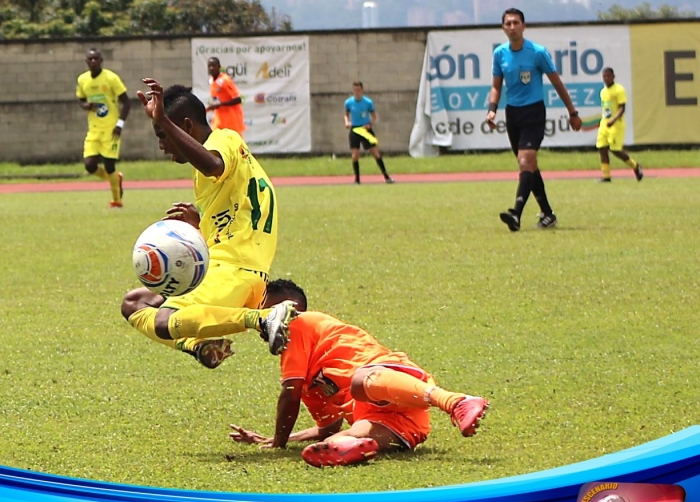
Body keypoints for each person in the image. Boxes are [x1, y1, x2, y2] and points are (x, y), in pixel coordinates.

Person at [120, 79, 297, 368]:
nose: (162, 146)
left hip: (234, 270)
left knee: (164, 320)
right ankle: (202, 345)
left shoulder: (224, 139)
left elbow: (214, 164)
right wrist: (200, 224)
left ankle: (263, 318)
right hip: (227, 267)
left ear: (186, 127)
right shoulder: (214, 174)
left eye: (163, 134)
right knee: (134, 303)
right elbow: (236, 218)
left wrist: (163, 117)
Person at [229, 279, 489, 468]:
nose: (261, 321)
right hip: (405, 421)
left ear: (291, 308)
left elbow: (289, 394)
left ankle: (455, 402)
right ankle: (357, 448)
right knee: (334, 441)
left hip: (391, 380)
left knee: (359, 383)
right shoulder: (310, 380)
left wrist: (279, 443)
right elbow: (327, 426)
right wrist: (279, 438)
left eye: (266, 311)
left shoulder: (297, 323)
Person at [486, 8, 582, 232]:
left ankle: (516, 214)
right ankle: (547, 213)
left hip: (534, 113)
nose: (512, 27)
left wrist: (572, 112)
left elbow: (557, 83)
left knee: (524, 162)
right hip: (513, 114)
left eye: (516, 23)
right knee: (530, 166)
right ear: (503, 28)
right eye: (508, 23)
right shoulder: (500, 54)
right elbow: (495, 86)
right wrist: (492, 109)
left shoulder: (537, 52)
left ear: (523, 26)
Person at [76, 47, 131, 208]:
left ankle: (117, 200)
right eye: (90, 59)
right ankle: (115, 179)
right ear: (86, 61)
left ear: (101, 60)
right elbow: (80, 100)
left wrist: (120, 124)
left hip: (111, 129)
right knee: (89, 165)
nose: (93, 61)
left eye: (96, 59)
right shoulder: (82, 80)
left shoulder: (111, 78)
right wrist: (86, 105)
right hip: (93, 129)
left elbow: (126, 102)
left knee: (109, 165)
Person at [596, 67, 643, 183]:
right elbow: (606, 108)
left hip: (616, 124)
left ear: (613, 77)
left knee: (615, 150)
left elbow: (622, 108)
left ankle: (635, 166)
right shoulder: (602, 92)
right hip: (605, 124)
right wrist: (604, 121)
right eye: (604, 76)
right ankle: (606, 176)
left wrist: (613, 120)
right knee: (602, 148)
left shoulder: (619, 90)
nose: (606, 78)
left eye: (608, 76)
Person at [344, 82, 394, 185]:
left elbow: (374, 116)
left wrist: (370, 124)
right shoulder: (348, 102)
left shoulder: (368, 102)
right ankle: (357, 180)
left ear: (362, 90)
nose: (357, 92)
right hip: (355, 130)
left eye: (358, 90)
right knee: (355, 155)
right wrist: (347, 122)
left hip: (365, 129)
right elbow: (346, 114)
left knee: (375, 153)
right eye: (355, 90)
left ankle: (386, 177)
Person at [206, 57, 246, 136]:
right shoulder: (211, 81)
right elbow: (217, 99)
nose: (211, 68)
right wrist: (211, 106)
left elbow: (238, 99)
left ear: (219, 67)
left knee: (235, 145)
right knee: (215, 141)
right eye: (209, 66)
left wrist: (220, 104)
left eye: (214, 65)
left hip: (231, 120)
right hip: (219, 120)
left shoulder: (225, 80)